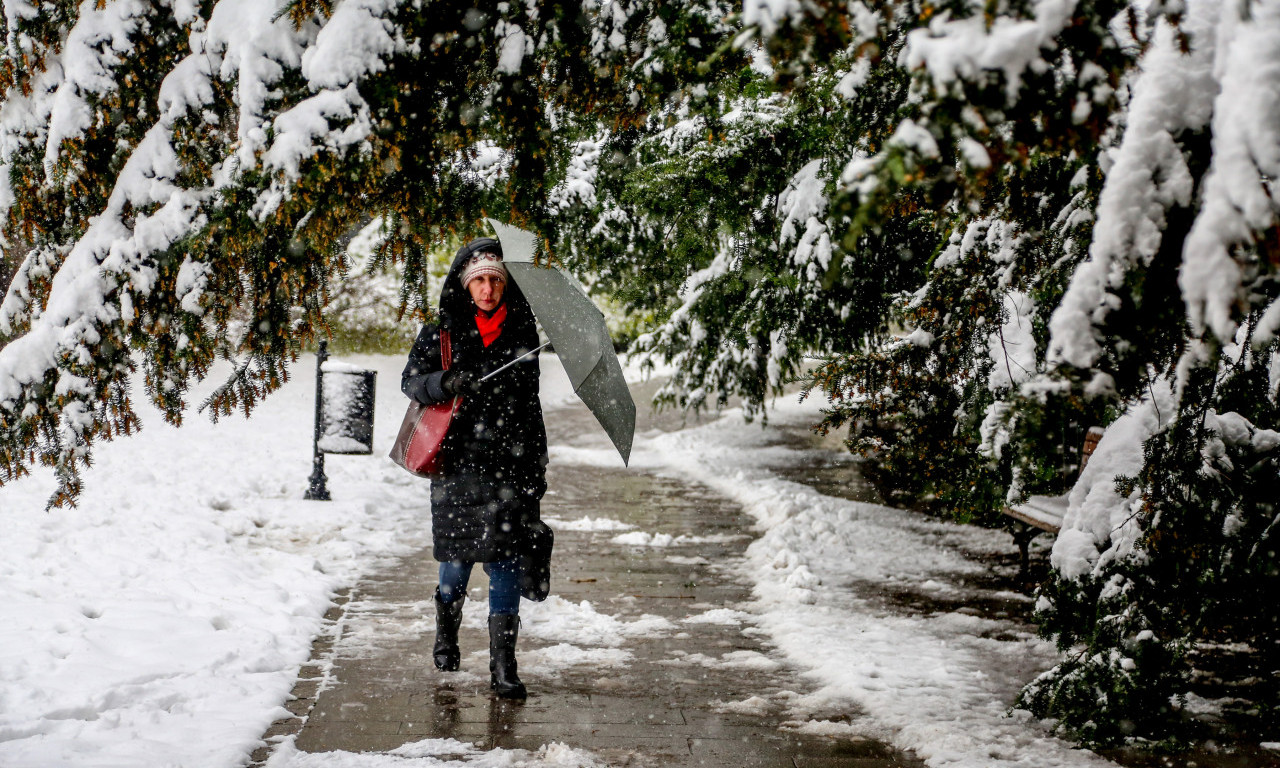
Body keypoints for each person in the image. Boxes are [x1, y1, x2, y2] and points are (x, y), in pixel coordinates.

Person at [401, 237, 548, 700]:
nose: (487, 289)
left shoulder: (523, 337)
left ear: (505, 285)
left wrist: (536, 471)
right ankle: (446, 630)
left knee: (505, 561)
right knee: (457, 564)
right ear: (466, 285)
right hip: (457, 467)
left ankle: (503, 665)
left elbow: (531, 407)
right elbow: (412, 382)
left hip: (508, 468)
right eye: (480, 280)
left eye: (495, 280)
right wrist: (446, 382)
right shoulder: (441, 332)